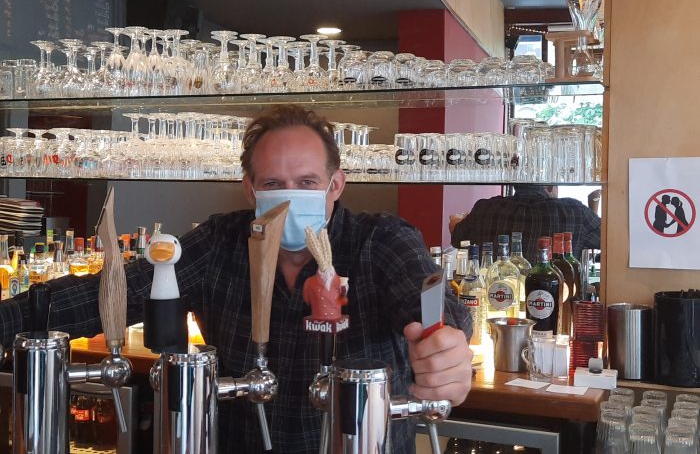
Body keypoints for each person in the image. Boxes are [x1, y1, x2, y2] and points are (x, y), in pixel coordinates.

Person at [0, 105, 472, 453]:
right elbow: (111, 294)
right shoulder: (220, 242)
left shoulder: (380, 240)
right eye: (273, 184)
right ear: (250, 188)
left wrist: (446, 345)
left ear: (336, 185)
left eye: (307, 183)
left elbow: (431, 303)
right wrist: (11, 319)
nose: (289, 197)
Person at [450, 184, 601, 264]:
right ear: (549, 186)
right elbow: (608, 242)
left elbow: (458, 238)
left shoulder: (485, 208)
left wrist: (457, 219)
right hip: (555, 303)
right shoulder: (574, 211)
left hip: (492, 302)